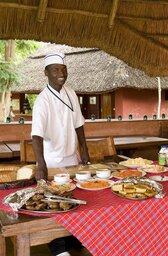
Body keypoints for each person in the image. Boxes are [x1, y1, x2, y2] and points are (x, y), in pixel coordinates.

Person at [31, 52, 90, 256]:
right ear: (46, 73)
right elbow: (36, 135)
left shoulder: (71, 93)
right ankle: (58, 248)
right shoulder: (42, 100)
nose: (61, 73)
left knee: (74, 200)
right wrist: (41, 164)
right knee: (54, 204)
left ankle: (74, 238)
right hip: (53, 160)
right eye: (55, 70)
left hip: (72, 157)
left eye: (63, 69)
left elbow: (79, 125)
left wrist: (85, 152)